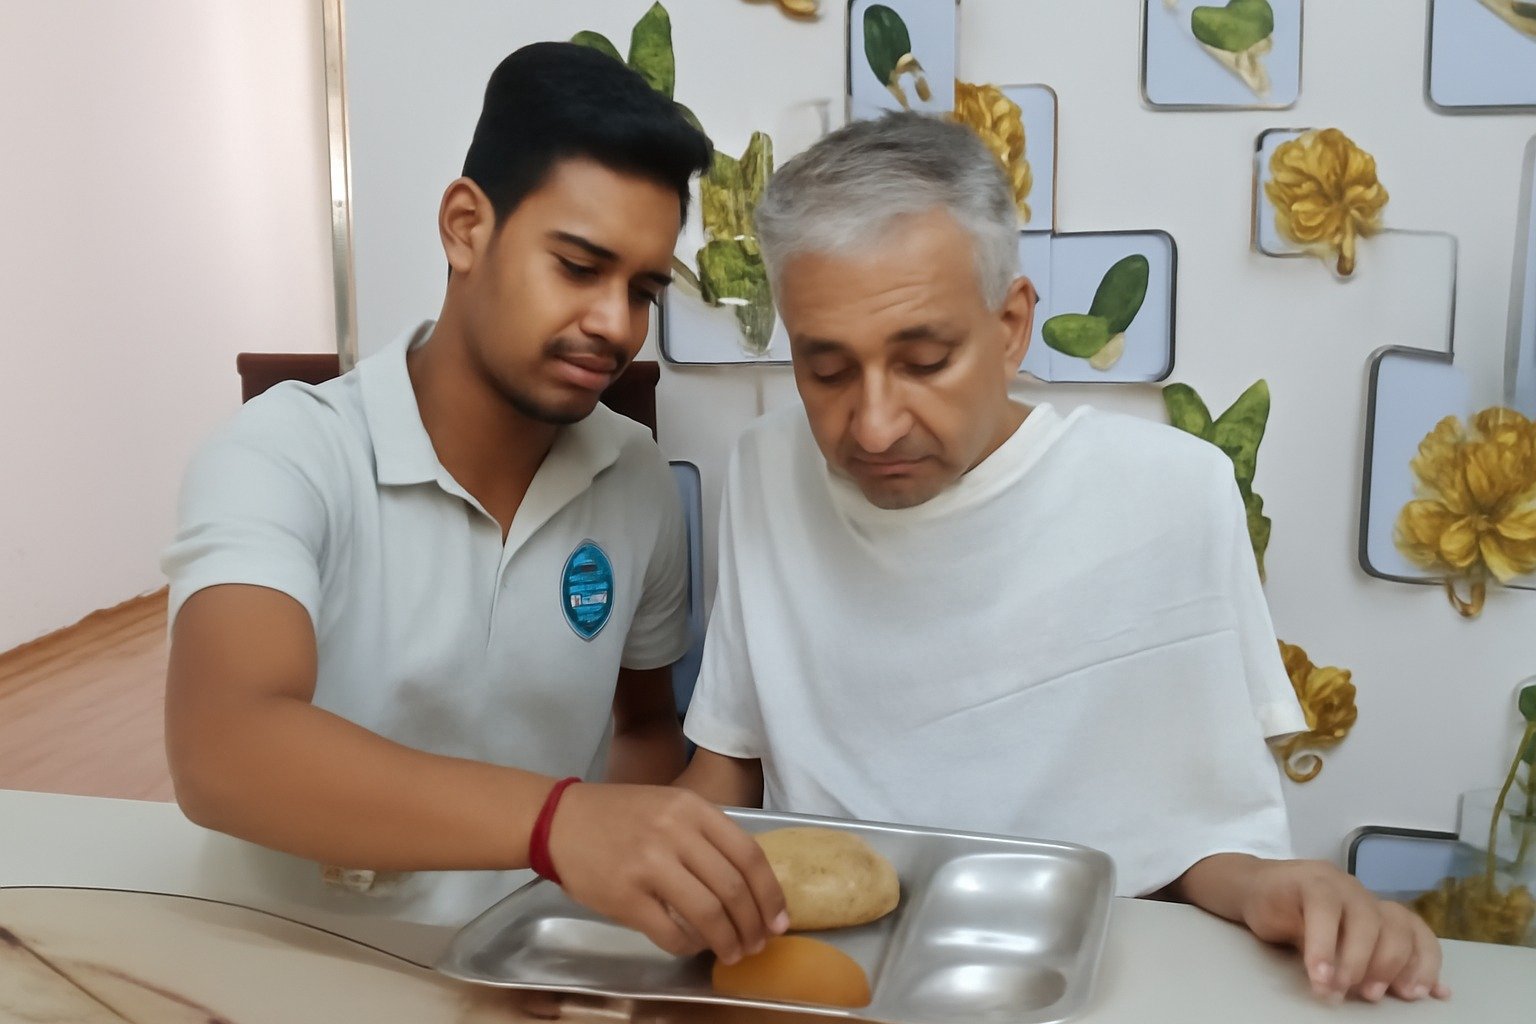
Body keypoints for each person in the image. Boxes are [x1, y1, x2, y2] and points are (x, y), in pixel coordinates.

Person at [677, 112, 1447, 1004]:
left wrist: (1289, 888)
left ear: (1010, 326)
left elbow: (1199, 841)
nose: (875, 426)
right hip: (832, 980)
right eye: (828, 372)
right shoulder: (768, 470)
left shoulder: (1170, 495)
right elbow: (728, 770)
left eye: (924, 360)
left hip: (1094, 984)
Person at [163, 41, 784, 965]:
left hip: (533, 968)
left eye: (642, 290)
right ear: (465, 227)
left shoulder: (636, 478)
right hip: (296, 966)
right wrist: (559, 824)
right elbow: (223, 746)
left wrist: (620, 882)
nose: (615, 323)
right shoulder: (286, 453)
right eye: (578, 266)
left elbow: (644, 723)